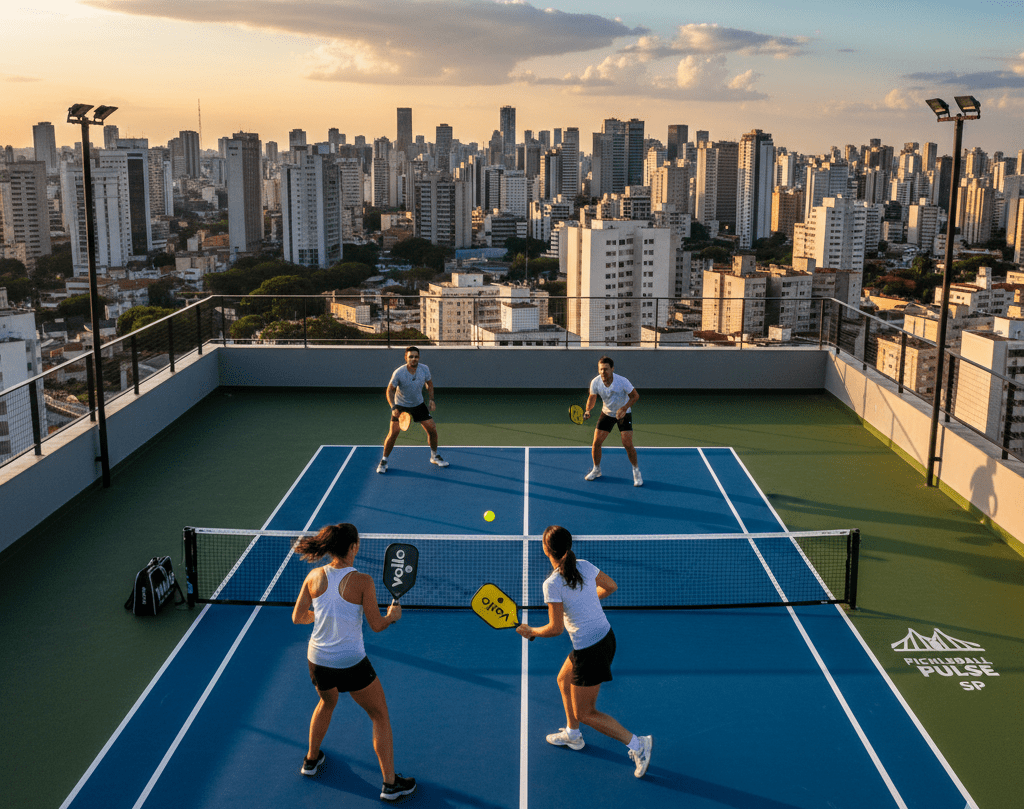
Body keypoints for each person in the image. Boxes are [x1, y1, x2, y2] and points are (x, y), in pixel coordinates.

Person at [516, 525, 653, 778]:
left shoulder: (553, 583)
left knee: (586, 712)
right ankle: (573, 734)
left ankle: (638, 744)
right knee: (563, 680)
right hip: (605, 638)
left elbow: (555, 629)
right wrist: (586, 602)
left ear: (547, 549)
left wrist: (531, 631)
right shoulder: (585, 565)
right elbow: (611, 586)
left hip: (591, 650)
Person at [292, 523, 416, 801]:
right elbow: (376, 625)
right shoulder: (362, 581)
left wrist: (319, 617)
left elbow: (298, 616)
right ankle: (390, 785)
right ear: (352, 548)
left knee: (326, 701)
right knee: (379, 715)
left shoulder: (314, 576)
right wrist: (392, 618)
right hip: (351, 663)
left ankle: (311, 761)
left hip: (317, 660)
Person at [377, 345, 448, 473]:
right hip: (401, 406)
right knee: (393, 434)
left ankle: (434, 456)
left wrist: (431, 399)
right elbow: (390, 390)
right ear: (406, 358)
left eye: (416, 357)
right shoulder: (399, 372)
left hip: (418, 404)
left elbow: (429, 384)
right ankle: (384, 461)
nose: (414, 359)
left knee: (432, 429)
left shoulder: (424, 369)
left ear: (418, 358)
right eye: (411, 357)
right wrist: (393, 407)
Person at [582, 356, 642, 486]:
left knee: (627, 444)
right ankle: (596, 469)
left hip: (624, 413)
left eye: (606, 369)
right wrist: (588, 410)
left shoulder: (622, 381)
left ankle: (636, 471)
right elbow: (592, 398)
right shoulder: (595, 382)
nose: (603, 372)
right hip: (607, 413)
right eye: (601, 369)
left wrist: (624, 408)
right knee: (596, 442)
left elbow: (635, 396)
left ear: (612, 369)